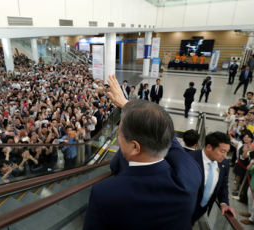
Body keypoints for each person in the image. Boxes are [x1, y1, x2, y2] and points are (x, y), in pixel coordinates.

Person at [84, 74, 202, 230]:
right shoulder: (190, 175)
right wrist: (126, 105)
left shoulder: (105, 194)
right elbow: (167, 134)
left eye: (120, 133)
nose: (118, 138)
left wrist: (127, 106)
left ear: (135, 147)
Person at [189, 132, 236, 223]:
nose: (225, 156)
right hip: (183, 208)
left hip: (201, 209)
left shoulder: (224, 164)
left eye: (227, 152)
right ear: (209, 147)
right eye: (222, 151)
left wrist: (224, 203)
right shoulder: (190, 159)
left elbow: (223, 185)